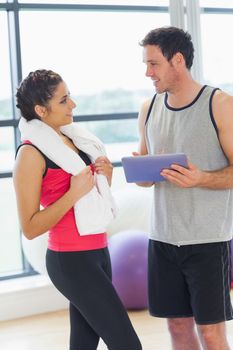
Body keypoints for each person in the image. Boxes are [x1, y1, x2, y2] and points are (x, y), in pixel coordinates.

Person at [13, 69, 142, 350]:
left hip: (99, 251)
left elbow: (91, 194)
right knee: (127, 344)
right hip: (71, 262)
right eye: (63, 100)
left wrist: (104, 176)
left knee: (83, 343)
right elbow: (30, 227)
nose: (73, 105)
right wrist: (73, 194)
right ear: (40, 110)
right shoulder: (30, 154)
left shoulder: (74, 141)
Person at [136, 26, 233, 350]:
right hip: (162, 238)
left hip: (207, 241)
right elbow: (147, 172)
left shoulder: (219, 104)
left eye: (153, 64)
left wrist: (201, 178)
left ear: (177, 60)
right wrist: (142, 171)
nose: (147, 72)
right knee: (177, 328)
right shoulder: (148, 109)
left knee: (210, 334)